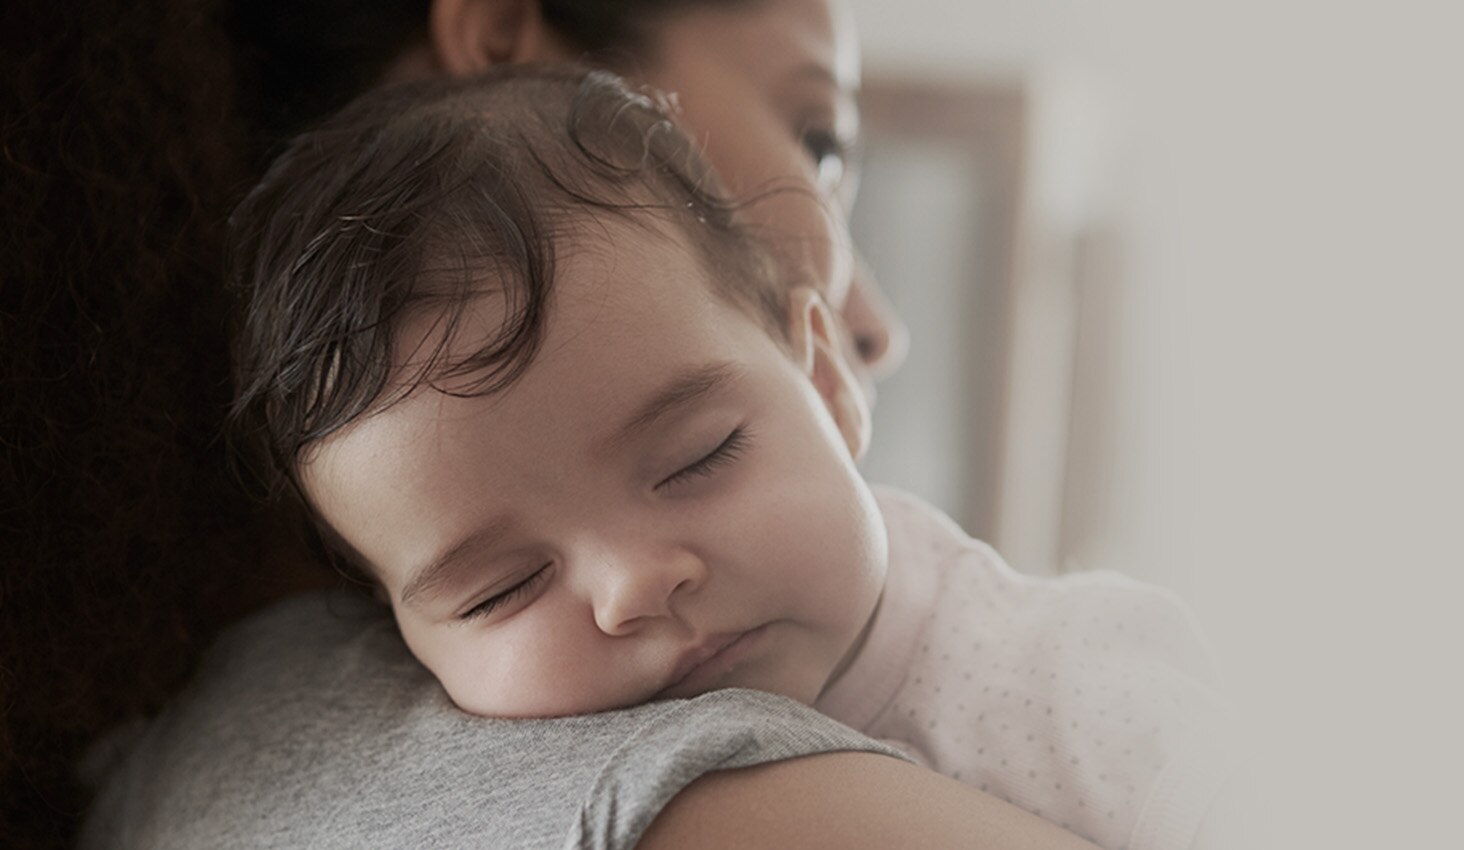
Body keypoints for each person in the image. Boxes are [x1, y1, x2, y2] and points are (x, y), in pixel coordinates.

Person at [215, 67, 1226, 850]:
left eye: (699, 457)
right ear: (402, 638)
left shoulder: (1083, 685)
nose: (635, 584)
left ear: (826, 379)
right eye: (503, 589)